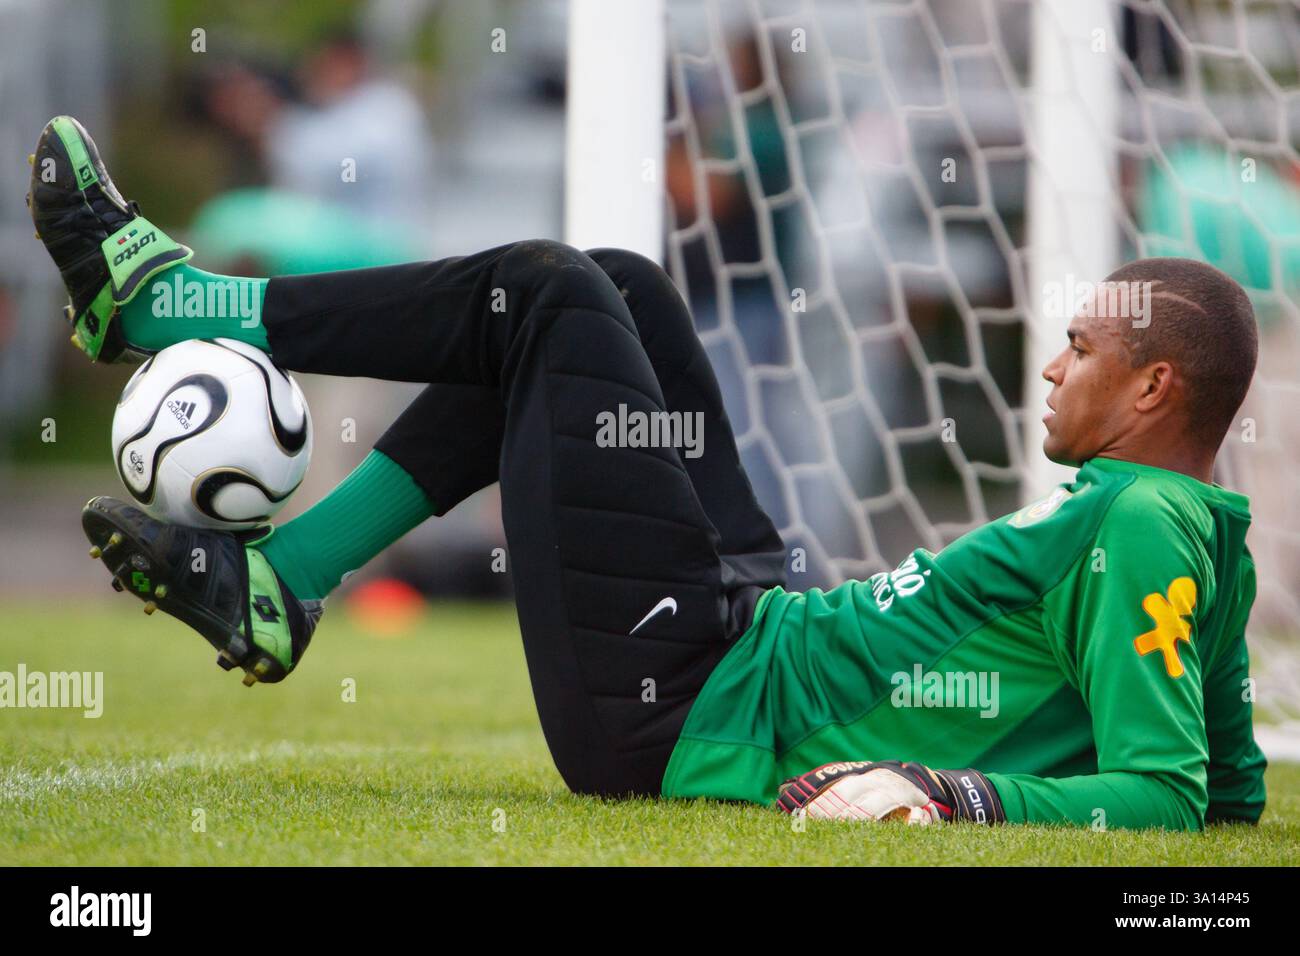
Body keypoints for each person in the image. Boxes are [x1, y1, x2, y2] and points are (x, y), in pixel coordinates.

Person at [28, 115, 1265, 829]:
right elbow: (1225, 795)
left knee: (545, 288)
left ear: (1155, 388)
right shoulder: (1192, 528)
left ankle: (178, 302)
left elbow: (1157, 793)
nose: (1052, 368)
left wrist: (949, 791)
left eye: (1083, 347)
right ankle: (281, 580)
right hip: (756, 624)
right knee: (621, 282)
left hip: (689, 707)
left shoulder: (1146, 520)